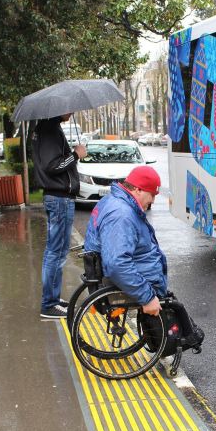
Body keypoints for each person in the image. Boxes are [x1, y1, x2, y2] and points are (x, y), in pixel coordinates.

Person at [84, 166, 166, 317]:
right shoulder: (121, 214)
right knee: (181, 326)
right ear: (138, 190)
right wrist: (147, 297)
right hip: (138, 282)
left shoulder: (113, 200)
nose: (153, 201)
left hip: (124, 273)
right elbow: (117, 264)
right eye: (152, 195)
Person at [32, 113, 85, 319]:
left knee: (57, 251)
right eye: (68, 109)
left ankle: (52, 299)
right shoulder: (48, 130)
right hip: (59, 198)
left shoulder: (48, 128)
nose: (71, 112)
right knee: (56, 252)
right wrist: (75, 155)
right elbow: (52, 166)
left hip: (59, 197)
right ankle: (49, 304)